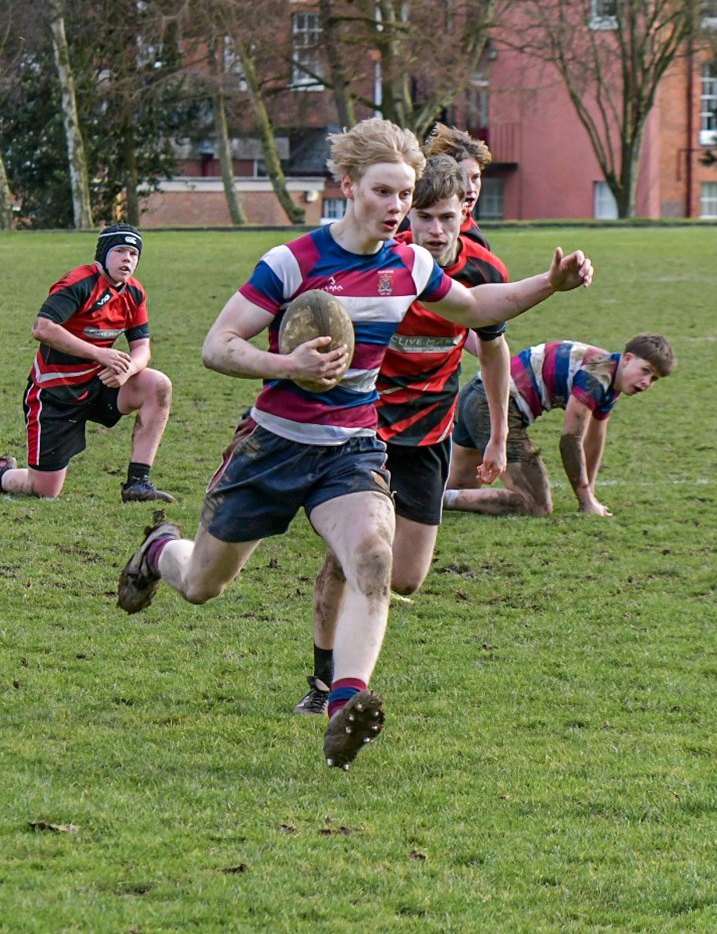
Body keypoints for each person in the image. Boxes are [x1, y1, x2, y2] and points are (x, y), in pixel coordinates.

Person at [116, 118, 592, 771]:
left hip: (352, 447)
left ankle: (345, 704)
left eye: (405, 194)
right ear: (348, 187)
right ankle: (159, 548)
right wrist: (289, 367)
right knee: (203, 585)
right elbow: (217, 346)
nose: (397, 208)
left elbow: (478, 307)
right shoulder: (294, 262)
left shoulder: (410, 264)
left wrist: (549, 284)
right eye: (384, 192)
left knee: (373, 557)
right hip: (274, 444)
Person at [293, 154, 511, 716]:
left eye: (447, 216)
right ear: (404, 215)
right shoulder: (377, 265)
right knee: (357, 556)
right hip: (364, 433)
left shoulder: (483, 272)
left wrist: (498, 434)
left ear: (466, 210)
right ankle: (326, 684)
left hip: (429, 434)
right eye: (424, 218)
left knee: (407, 578)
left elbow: (492, 347)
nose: (435, 231)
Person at [0, 223, 174, 503]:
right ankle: (3, 474)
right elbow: (42, 328)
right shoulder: (78, 283)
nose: (127, 259)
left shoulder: (134, 293)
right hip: (57, 394)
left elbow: (142, 347)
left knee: (157, 385)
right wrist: (99, 353)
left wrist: (128, 369)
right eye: (119, 251)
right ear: (103, 254)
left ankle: (137, 484)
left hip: (99, 384)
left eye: (133, 253)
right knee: (45, 489)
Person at [444, 335, 676, 518]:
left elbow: (594, 439)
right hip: (490, 404)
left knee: (457, 488)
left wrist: (589, 493)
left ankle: (423, 498)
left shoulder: (611, 376)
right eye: (645, 371)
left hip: (476, 393)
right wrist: (584, 499)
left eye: (654, 379)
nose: (646, 382)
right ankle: (423, 498)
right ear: (627, 359)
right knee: (536, 504)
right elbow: (570, 440)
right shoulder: (598, 375)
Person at [423, 121, 494, 247]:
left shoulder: (478, 241)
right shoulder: (408, 231)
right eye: (462, 178)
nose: (471, 188)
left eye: (475, 178)